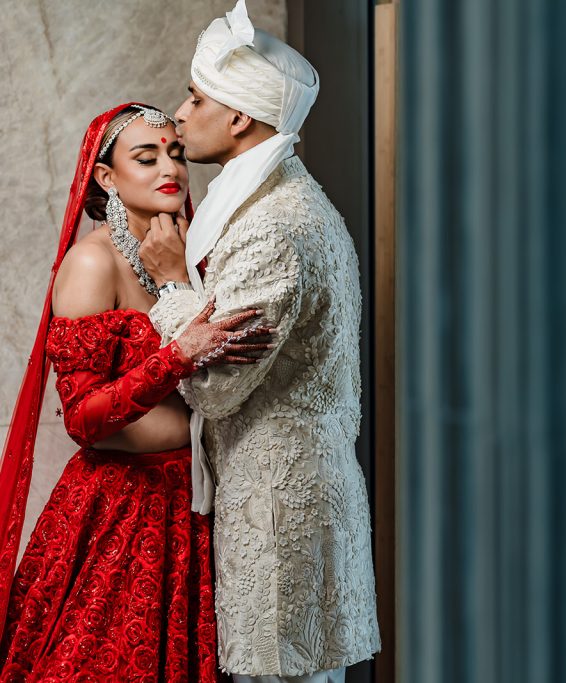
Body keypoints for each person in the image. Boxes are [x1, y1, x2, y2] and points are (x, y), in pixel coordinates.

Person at [138, 2, 380, 681]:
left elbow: (214, 386)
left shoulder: (275, 225)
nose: (180, 116)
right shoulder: (274, 203)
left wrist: (167, 286)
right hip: (278, 504)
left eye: (196, 98)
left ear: (239, 116)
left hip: (279, 518)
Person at [0, 102, 273, 681]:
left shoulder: (187, 259)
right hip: (123, 512)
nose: (168, 167)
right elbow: (83, 419)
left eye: (174, 152)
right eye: (145, 158)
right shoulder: (92, 265)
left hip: (193, 505)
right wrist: (176, 357)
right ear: (105, 177)